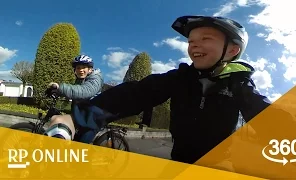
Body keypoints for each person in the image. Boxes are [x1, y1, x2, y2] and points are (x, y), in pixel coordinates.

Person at [71, 15, 271, 164]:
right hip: (178, 160)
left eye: (206, 39)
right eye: (191, 41)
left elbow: (268, 115)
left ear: (232, 50)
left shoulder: (239, 83)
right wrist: (77, 118)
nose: (194, 46)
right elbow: (137, 93)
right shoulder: (180, 78)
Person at [44, 54, 104, 142]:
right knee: (55, 119)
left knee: (81, 144)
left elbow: (84, 91)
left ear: (90, 69)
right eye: (78, 68)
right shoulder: (79, 80)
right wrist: (57, 92)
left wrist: (60, 87)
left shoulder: (96, 79)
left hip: (92, 118)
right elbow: (74, 92)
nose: (81, 70)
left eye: (84, 67)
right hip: (81, 114)